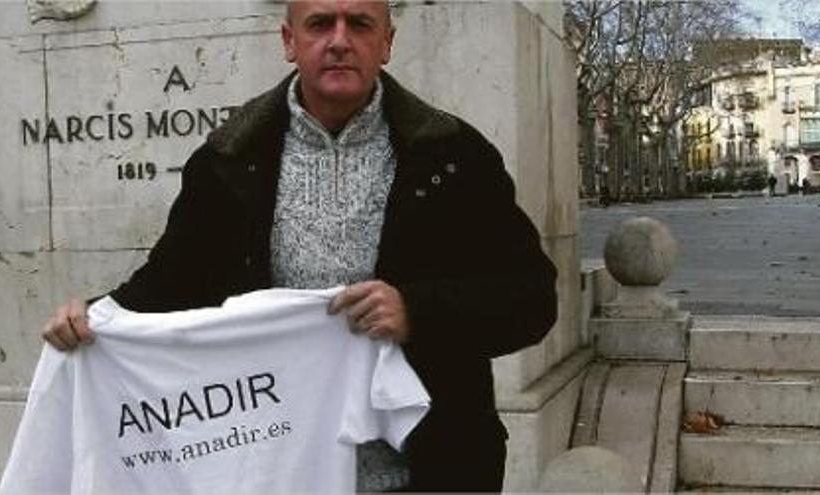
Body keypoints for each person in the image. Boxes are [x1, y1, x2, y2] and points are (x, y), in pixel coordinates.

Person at [42, 0, 558, 491]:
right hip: (277, 471)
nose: (339, 41)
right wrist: (95, 318)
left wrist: (417, 311)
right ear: (289, 40)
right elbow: (171, 284)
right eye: (319, 24)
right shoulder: (227, 160)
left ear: (387, 42)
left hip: (431, 467)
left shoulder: (453, 158)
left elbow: (532, 298)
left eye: (359, 24)